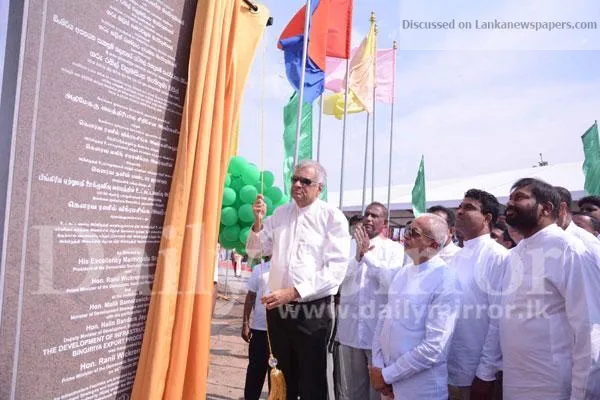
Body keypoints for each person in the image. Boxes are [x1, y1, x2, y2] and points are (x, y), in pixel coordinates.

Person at [246, 159, 351, 400]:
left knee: (313, 380)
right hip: (279, 310)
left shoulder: (331, 217)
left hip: (312, 312)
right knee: (281, 378)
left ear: (319, 188)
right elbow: (254, 251)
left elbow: (336, 270)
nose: (297, 185)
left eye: (305, 181)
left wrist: (294, 292)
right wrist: (258, 222)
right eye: (294, 179)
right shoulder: (280, 213)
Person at [496, 178, 600, 399]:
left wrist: (582, 394)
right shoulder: (515, 254)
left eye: (520, 197)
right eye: (510, 198)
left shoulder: (569, 249)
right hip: (515, 382)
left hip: (554, 386)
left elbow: (588, 329)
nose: (510, 203)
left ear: (546, 208)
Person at [369, 213, 461, 400]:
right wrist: (378, 366)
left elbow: (434, 347)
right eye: (407, 229)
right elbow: (384, 322)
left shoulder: (446, 280)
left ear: (433, 245)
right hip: (389, 384)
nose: (406, 236)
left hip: (420, 389)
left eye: (414, 233)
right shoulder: (403, 273)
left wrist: (388, 375)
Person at [337, 202, 405, 400]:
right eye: (367, 214)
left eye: (375, 216)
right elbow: (337, 280)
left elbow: (391, 284)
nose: (368, 218)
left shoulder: (394, 249)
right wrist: (357, 257)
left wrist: (368, 256)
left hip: (377, 333)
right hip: (349, 331)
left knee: (377, 391)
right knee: (351, 391)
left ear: (385, 223)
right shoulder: (348, 246)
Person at [447, 189, 508, 400]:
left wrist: (485, 374)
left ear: (487, 218)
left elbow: (498, 320)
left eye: (469, 207)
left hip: (476, 373)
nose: (459, 211)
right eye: (459, 207)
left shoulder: (498, 256)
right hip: (448, 368)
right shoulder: (456, 257)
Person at [242, 258, 271, 400]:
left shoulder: (290, 269)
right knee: (255, 372)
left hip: (282, 333)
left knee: (277, 375)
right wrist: (245, 323)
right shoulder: (259, 269)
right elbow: (250, 297)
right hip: (259, 330)